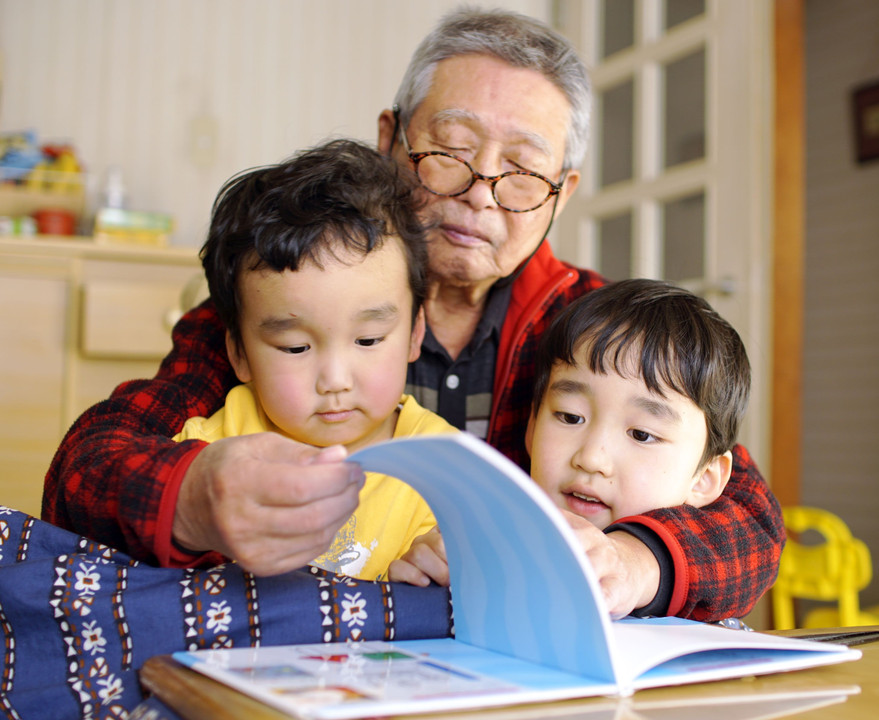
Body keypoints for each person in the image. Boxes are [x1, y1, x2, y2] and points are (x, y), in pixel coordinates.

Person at [43, 8, 784, 621]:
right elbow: (88, 468)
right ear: (391, 140)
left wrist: (634, 560)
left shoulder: (591, 331)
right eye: (450, 151)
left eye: (522, 172)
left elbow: (745, 512)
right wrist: (194, 496)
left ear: (563, 190)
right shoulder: (290, 308)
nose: (481, 193)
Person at [171, 139, 456, 580]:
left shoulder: (444, 469)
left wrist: (432, 572)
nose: (335, 380)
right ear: (239, 354)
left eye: (368, 339)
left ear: (415, 333)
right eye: (295, 348)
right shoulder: (207, 452)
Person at [389, 278, 751, 613]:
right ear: (530, 428)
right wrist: (424, 586)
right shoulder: (480, 543)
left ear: (704, 478)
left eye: (641, 434)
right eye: (569, 417)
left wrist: (641, 561)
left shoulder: (701, 598)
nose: (591, 458)